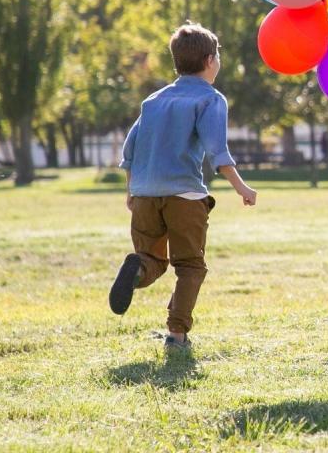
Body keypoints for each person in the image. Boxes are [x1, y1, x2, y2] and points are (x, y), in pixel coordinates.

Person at [108, 22, 258, 352]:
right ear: (209, 61)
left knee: (152, 260)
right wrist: (242, 188)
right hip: (184, 195)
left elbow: (130, 150)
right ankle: (176, 334)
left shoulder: (154, 100)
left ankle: (138, 270)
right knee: (190, 266)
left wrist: (131, 192)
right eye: (218, 56)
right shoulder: (210, 99)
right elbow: (218, 151)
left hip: (145, 194)